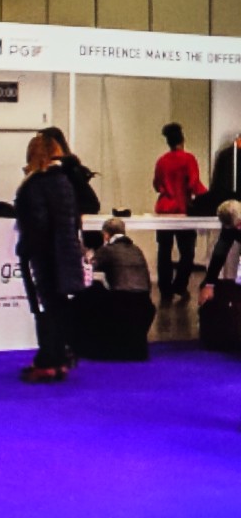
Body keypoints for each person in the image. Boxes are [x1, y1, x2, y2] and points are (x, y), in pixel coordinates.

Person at [16, 133, 86, 382]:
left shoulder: (36, 184)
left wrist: (26, 248)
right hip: (66, 252)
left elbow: (37, 222)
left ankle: (47, 360)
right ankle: (59, 359)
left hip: (44, 253)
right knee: (59, 306)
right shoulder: (65, 182)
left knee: (44, 308)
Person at [71, 217, 156, 361]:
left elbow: (89, 267)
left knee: (87, 295)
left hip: (122, 303)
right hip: (144, 304)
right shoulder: (137, 250)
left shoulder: (107, 250)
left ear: (105, 235)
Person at [153, 121, 206, 302]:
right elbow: (194, 184)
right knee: (187, 252)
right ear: (182, 140)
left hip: (164, 209)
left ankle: (165, 289)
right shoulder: (188, 159)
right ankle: (180, 285)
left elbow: (157, 185)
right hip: (183, 209)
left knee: (164, 251)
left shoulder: (161, 161)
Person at [197, 199, 241, 350]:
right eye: (235, 227)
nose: (238, 229)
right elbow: (219, 254)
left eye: (239, 225)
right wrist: (209, 284)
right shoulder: (230, 226)